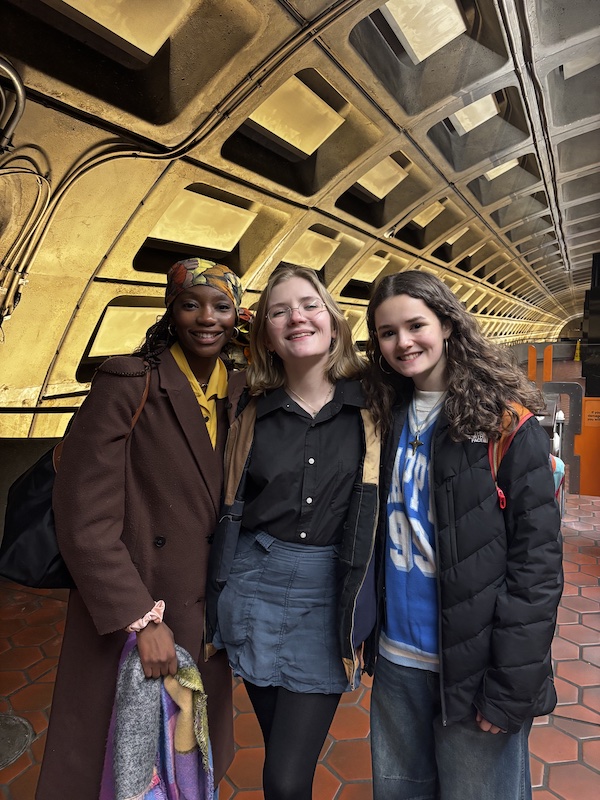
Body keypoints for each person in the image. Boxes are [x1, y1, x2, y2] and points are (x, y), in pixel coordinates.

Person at [37, 258, 247, 800]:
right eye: (190, 304)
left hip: (206, 618)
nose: (207, 318)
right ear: (170, 312)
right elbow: (84, 516)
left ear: (237, 315)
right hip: (142, 615)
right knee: (116, 761)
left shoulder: (244, 390)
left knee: (188, 757)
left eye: (221, 306)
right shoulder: (129, 383)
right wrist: (139, 618)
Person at [363, 270, 563, 800]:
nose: (403, 342)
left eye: (415, 325)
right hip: (398, 659)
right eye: (387, 332)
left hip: (475, 672)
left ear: (448, 324)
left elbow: (536, 569)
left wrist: (509, 689)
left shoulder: (506, 427)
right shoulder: (382, 416)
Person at [205, 264, 381, 800]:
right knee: (280, 748)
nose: (296, 318)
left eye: (307, 304)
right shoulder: (247, 408)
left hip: (329, 591)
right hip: (253, 583)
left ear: (332, 318)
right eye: (279, 311)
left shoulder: (375, 405)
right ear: (265, 335)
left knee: (285, 776)